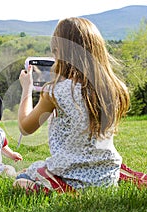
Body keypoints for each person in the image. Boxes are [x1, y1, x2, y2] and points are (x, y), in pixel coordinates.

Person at [13, 17, 131, 193]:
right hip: (106, 175)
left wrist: (27, 88)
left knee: (21, 180)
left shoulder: (54, 92)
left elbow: (25, 127)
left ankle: (67, 191)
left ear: (60, 52)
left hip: (70, 175)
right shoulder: (114, 88)